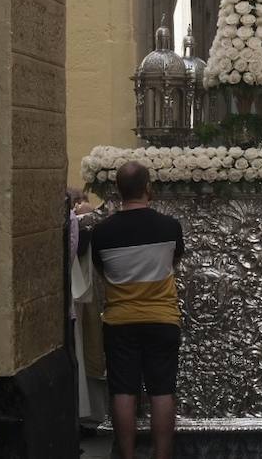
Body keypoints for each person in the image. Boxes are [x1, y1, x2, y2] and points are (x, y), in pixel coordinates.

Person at [90, 163, 184, 459]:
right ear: (148, 189)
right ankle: (162, 455)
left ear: (118, 191)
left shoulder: (102, 233)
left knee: (123, 391)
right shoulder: (170, 228)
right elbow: (174, 262)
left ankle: (127, 455)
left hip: (120, 321)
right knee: (162, 390)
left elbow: (101, 271)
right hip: (162, 318)